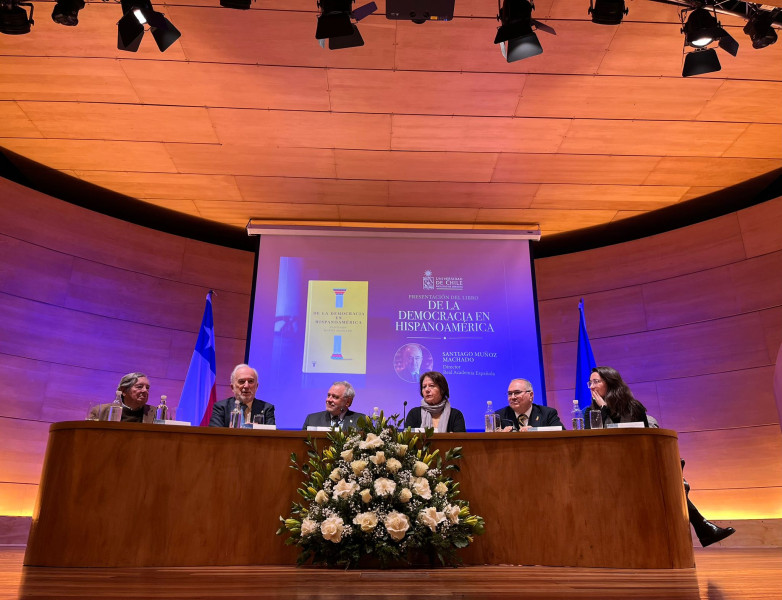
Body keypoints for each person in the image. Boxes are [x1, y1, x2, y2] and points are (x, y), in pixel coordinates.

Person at [585, 366, 735, 547]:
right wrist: (602, 410)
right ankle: (704, 527)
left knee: (670, 481)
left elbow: (631, 436)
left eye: (596, 381)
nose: (592, 387)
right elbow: (593, 440)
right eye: (590, 383)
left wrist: (606, 408)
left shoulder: (633, 407)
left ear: (610, 382)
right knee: (675, 483)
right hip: (607, 466)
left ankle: (699, 528)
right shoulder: (589, 412)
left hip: (636, 461)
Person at [208, 364, 275, 427]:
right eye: (242, 381)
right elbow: (214, 433)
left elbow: (271, 434)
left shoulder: (267, 409)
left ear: (256, 386)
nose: (246, 386)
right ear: (232, 387)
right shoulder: (221, 407)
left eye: (251, 381)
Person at [497, 378, 564, 431]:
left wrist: (534, 430)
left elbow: (561, 433)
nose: (512, 397)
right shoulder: (499, 416)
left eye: (517, 392)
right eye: (510, 394)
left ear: (531, 395)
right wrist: (501, 436)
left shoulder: (547, 413)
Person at [89, 372, 157, 423]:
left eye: (147, 388)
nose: (145, 390)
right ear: (124, 391)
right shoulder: (100, 411)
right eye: (139, 387)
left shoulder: (156, 413)